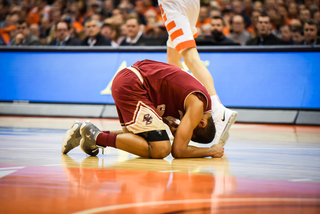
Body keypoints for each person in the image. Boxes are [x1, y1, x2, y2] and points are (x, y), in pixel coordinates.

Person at [62, 59, 225, 159]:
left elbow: (162, 88)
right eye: (189, 131)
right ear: (202, 123)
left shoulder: (194, 102)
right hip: (133, 83)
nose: (182, 131)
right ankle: (94, 136)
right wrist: (210, 151)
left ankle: (84, 132)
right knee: (161, 148)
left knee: (139, 136)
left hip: (132, 82)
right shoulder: (198, 105)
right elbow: (178, 151)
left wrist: (165, 124)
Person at [157, 0, 238, 146]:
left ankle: (217, 110)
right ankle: (191, 100)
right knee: (173, 58)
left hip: (173, 3)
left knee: (190, 58)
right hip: (192, 3)